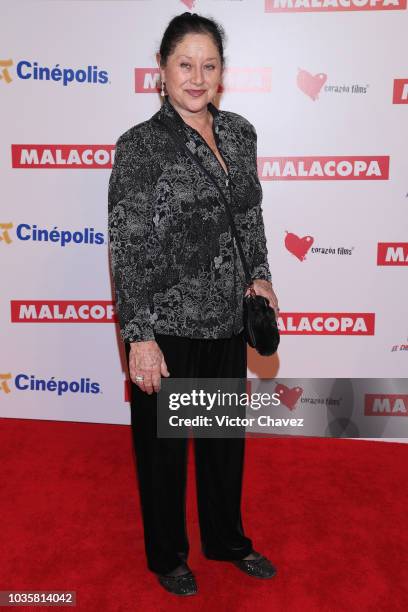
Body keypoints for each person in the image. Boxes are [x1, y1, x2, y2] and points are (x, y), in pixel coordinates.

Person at [108, 12, 280, 597]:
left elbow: (250, 216)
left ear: (222, 72)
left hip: (228, 318)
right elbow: (129, 245)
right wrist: (141, 336)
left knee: (220, 443)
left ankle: (225, 540)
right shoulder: (140, 147)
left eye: (209, 65)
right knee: (162, 455)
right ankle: (168, 556)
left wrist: (260, 277)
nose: (197, 77)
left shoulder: (239, 133)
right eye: (185, 64)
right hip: (167, 325)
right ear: (162, 70)